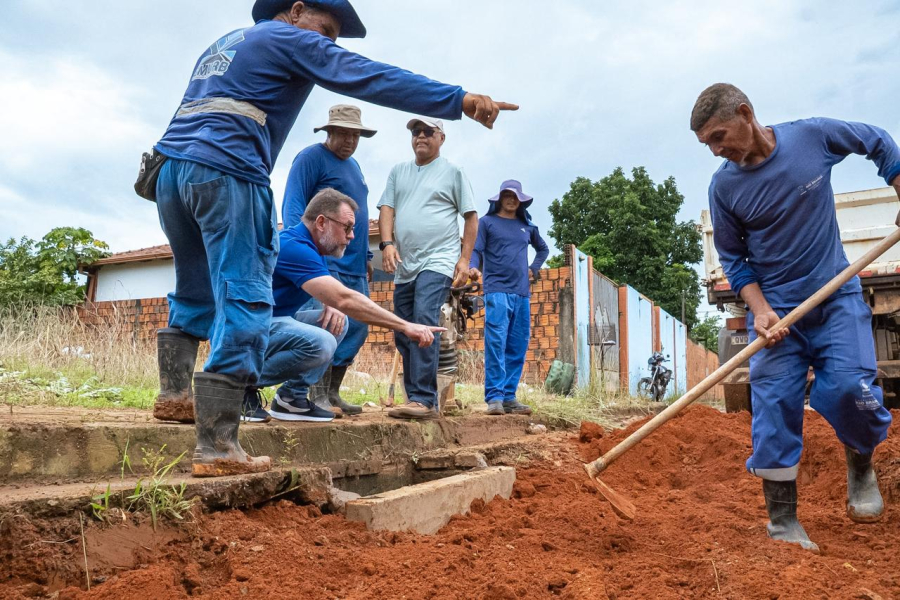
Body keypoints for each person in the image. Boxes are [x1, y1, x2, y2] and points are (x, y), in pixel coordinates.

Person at [147, 0, 517, 478]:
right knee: (244, 295)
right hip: (228, 170)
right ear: (296, 11)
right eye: (325, 31)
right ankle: (218, 448)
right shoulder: (289, 37)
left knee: (195, 286)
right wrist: (458, 100)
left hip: (172, 172)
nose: (326, 45)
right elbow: (368, 76)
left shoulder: (225, 43)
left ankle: (175, 395)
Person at [691, 83, 900, 552]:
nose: (716, 150)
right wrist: (761, 312)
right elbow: (734, 259)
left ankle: (861, 466)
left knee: (852, 389)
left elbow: (878, 141)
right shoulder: (724, 186)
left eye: (719, 136)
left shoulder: (812, 138)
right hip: (777, 313)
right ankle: (782, 520)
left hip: (836, 296)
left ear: (746, 113)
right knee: (773, 408)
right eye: (707, 143)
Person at [240, 188, 445, 423]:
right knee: (322, 341)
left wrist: (332, 303)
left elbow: (333, 296)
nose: (351, 236)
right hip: (248, 330)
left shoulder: (312, 248)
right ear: (321, 222)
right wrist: (405, 326)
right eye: (346, 227)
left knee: (336, 322)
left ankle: (291, 399)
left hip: (270, 324)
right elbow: (345, 298)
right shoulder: (294, 247)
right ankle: (235, 387)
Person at [378, 118, 478, 420]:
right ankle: (416, 397)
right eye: (415, 132)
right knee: (403, 329)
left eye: (427, 132)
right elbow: (387, 210)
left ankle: (424, 399)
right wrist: (387, 244)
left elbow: (471, 218)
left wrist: (463, 260)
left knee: (423, 317)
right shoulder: (399, 172)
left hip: (439, 260)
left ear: (441, 137)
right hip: (405, 264)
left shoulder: (453, 172)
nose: (420, 136)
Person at [281, 104, 376, 417]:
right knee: (328, 321)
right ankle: (313, 395)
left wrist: (366, 256)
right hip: (325, 260)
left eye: (355, 135)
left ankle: (332, 392)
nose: (350, 140)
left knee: (357, 326)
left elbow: (357, 219)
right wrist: (307, 254)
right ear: (329, 131)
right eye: (344, 133)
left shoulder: (357, 168)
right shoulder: (310, 158)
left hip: (355, 264)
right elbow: (295, 209)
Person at [468, 180, 549, 416]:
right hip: (496, 290)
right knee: (496, 342)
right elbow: (476, 250)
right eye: (507, 196)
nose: (511, 200)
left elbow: (543, 249)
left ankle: (509, 396)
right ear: (499, 199)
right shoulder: (487, 223)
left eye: (515, 197)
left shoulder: (528, 226)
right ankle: (494, 397)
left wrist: (534, 267)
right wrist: (474, 267)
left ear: (521, 201)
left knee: (518, 344)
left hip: (521, 292)